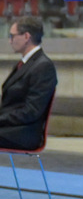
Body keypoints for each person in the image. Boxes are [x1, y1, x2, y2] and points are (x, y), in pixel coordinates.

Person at [0, 16, 57, 151]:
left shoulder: (43, 67)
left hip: (24, 133)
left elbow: (31, 111)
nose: (10, 40)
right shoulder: (26, 64)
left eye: (12, 36)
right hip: (11, 127)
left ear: (26, 36)